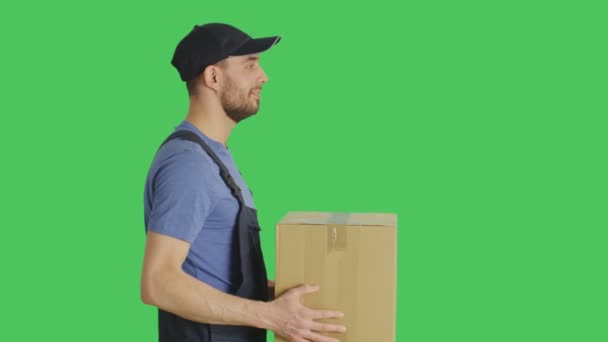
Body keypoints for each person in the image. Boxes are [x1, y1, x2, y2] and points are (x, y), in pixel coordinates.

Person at [141, 23, 347, 342]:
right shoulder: (189, 163)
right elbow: (158, 282)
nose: (263, 76)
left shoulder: (214, 156)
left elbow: (216, 275)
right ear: (213, 77)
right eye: (250, 65)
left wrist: (284, 297)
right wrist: (272, 316)